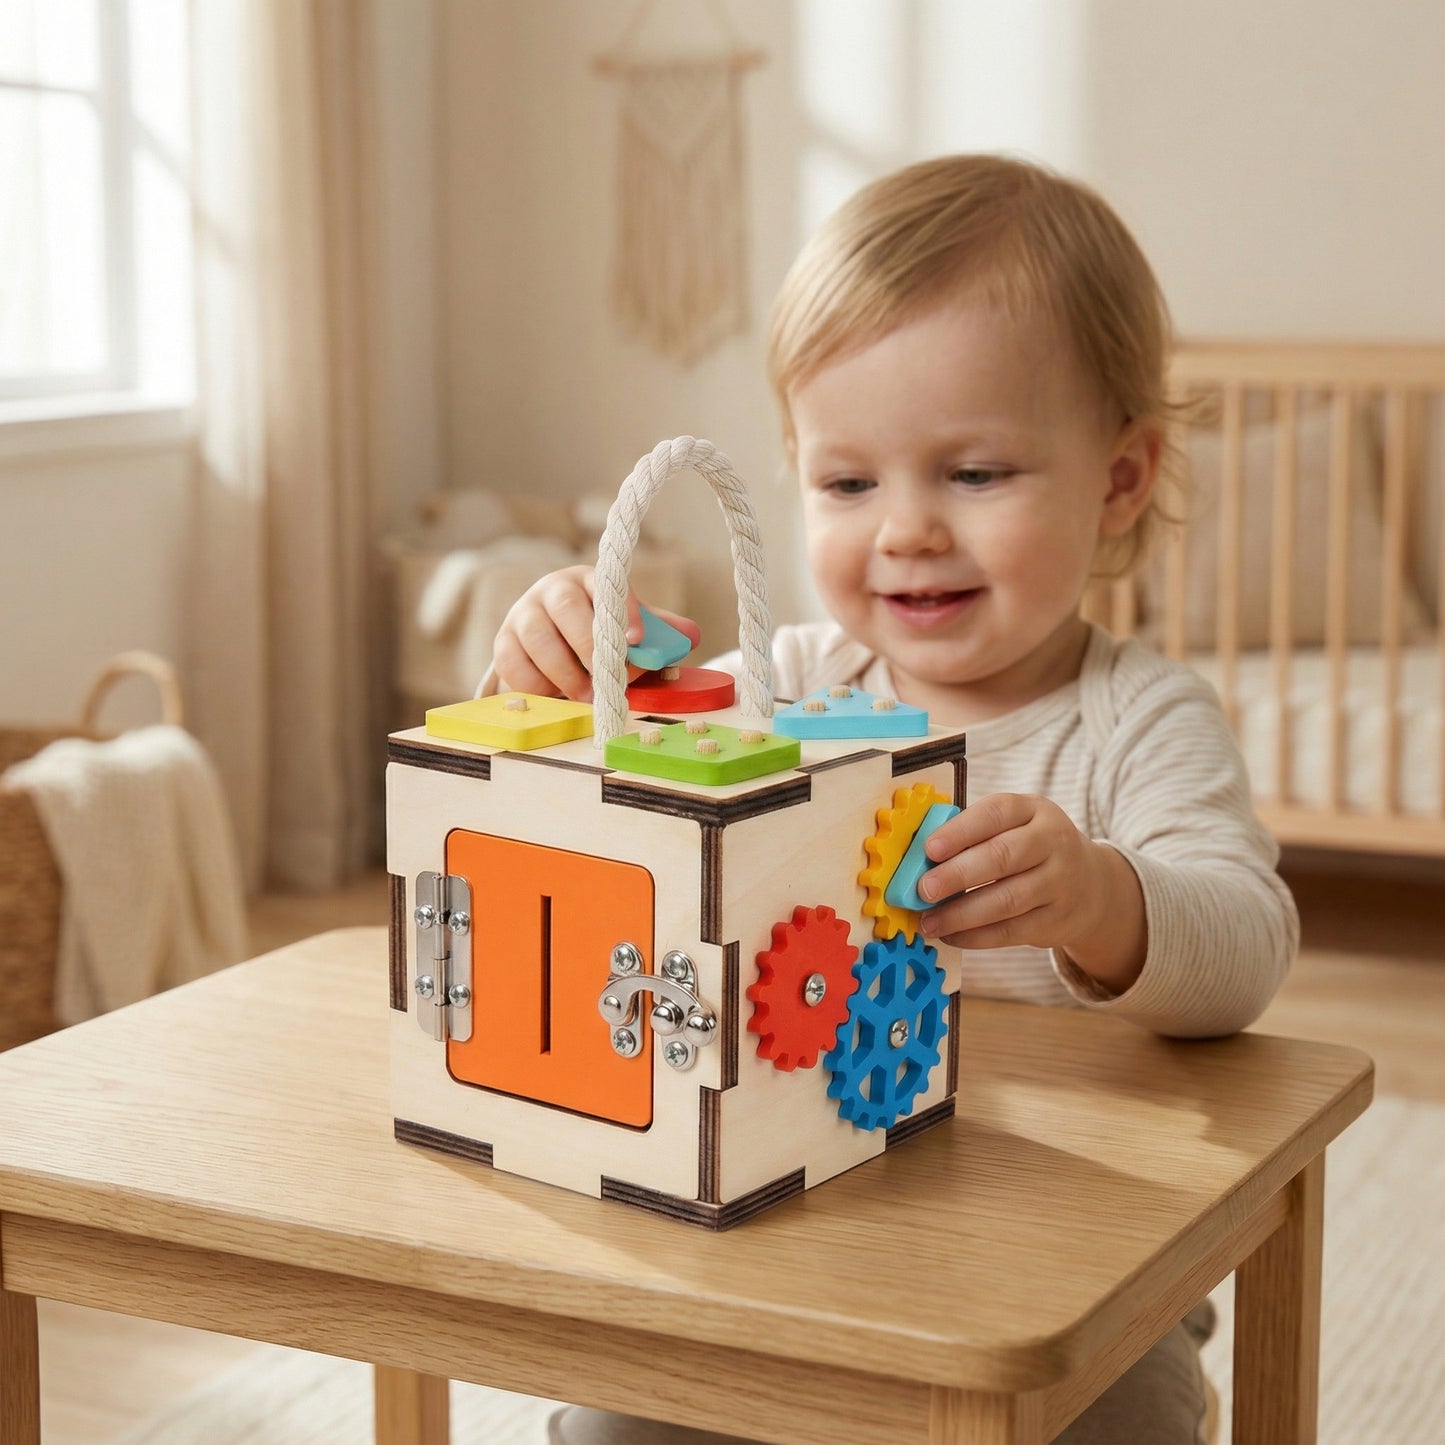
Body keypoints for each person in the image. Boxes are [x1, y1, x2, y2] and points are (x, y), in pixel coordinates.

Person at [490, 154, 1298, 1445]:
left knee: (1126, 1426)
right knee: (606, 1423)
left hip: (1073, 1268)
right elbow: (620, 798)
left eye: (973, 473)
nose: (906, 528)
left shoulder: (1135, 719)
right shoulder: (784, 682)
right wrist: (560, 664)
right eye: (848, 483)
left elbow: (1243, 955)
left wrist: (1104, 897)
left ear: (1120, 478)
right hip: (788, 1231)